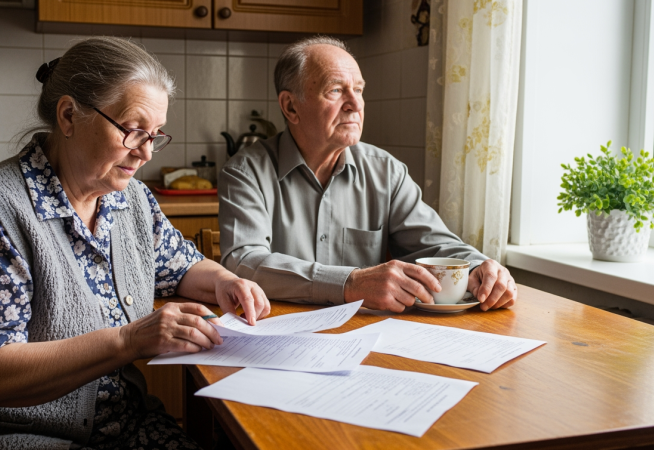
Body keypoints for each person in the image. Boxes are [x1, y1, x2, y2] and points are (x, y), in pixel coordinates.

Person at [0, 37, 270, 449]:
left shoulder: (128, 197)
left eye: (155, 135)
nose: (146, 153)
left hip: (120, 425)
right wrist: (128, 341)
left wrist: (224, 280)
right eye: (133, 132)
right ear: (68, 116)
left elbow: (180, 265)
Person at [218, 36, 516, 313]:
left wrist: (479, 267)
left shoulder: (386, 171)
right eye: (335, 90)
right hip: (276, 333)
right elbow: (244, 263)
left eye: (358, 90)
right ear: (290, 106)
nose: (355, 103)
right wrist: (351, 283)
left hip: (365, 337)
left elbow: (435, 244)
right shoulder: (246, 172)